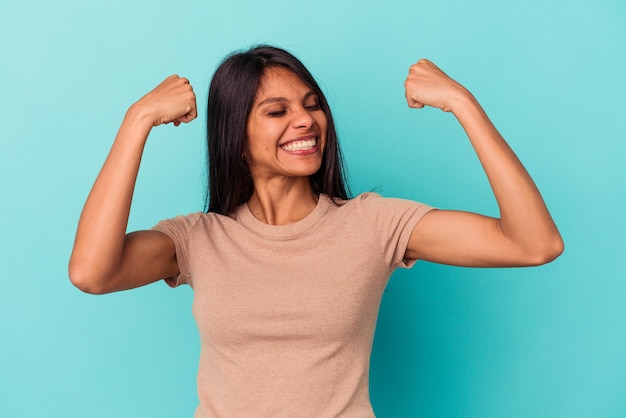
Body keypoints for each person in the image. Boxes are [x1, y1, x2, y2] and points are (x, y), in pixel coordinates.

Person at [69, 45, 563, 417]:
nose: (306, 121)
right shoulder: (196, 240)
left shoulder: (373, 224)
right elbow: (91, 273)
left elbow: (534, 243)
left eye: (312, 105)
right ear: (235, 136)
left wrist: (462, 103)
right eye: (277, 111)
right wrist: (137, 121)